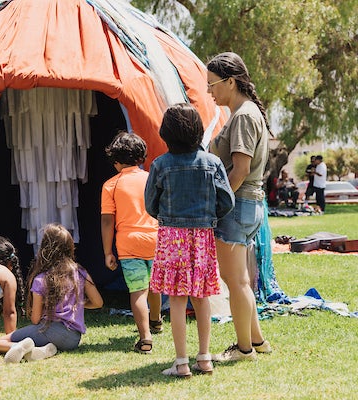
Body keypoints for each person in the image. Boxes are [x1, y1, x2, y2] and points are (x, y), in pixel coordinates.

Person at [145, 103, 235, 377]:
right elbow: (227, 201)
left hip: (172, 238)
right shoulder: (213, 163)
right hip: (202, 237)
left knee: (176, 300)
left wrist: (168, 217)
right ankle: (205, 358)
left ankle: (181, 361)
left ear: (166, 133)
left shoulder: (160, 165)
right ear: (198, 131)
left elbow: (150, 204)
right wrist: (209, 217)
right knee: (201, 297)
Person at [206, 52, 272, 362]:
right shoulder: (245, 112)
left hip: (238, 205)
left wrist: (218, 206)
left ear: (231, 82)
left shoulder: (244, 115)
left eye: (213, 84)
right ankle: (256, 341)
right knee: (241, 280)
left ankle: (243, 350)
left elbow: (240, 170)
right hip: (249, 204)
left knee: (236, 282)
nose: (210, 91)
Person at [0, 224, 103, 363]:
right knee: (46, 340)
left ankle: (23, 347)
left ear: (45, 248)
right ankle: (43, 351)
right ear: (70, 247)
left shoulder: (41, 279)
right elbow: (98, 303)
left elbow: (35, 319)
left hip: (50, 330)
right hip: (74, 339)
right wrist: (76, 302)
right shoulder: (80, 273)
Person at [100, 132, 164, 354]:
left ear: (116, 160)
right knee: (155, 284)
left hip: (128, 244)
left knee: (138, 290)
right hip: (155, 240)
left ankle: (145, 337)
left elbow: (108, 221)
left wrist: (108, 251)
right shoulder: (151, 179)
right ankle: (155, 320)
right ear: (140, 157)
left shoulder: (111, 185)